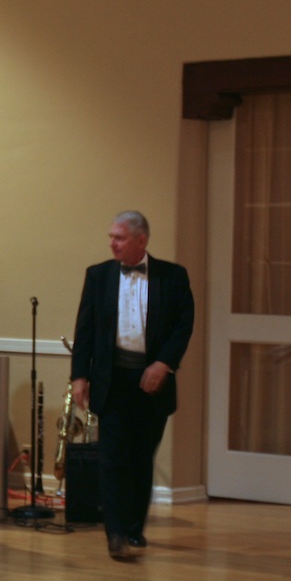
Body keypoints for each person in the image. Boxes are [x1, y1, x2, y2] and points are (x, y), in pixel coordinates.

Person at [71, 211, 194, 559]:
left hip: (152, 380)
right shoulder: (98, 276)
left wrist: (164, 364)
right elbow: (85, 330)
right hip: (112, 380)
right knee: (112, 458)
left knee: (141, 456)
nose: (112, 243)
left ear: (142, 241)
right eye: (111, 236)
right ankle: (115, 534)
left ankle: (134, 528)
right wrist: (80, 376)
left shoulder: (173, 276)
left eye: (119, 238)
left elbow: (183, 325)